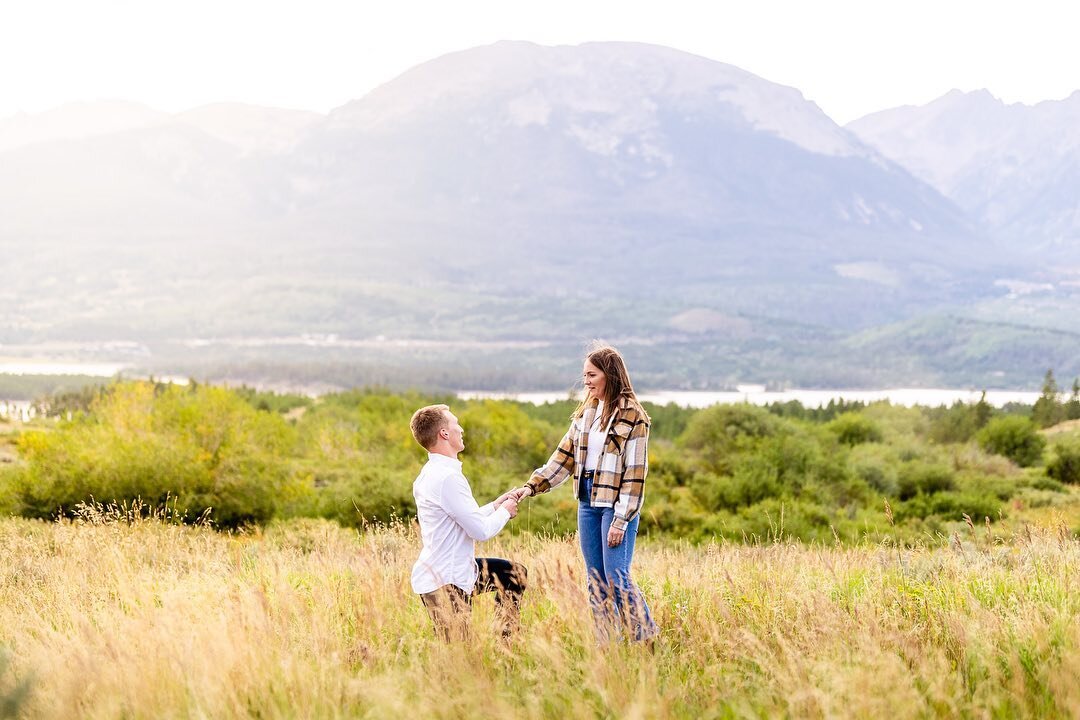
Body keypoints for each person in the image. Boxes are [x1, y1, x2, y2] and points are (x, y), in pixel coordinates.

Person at [512, 344, 658, 642]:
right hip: (587, 500)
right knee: (596, 580)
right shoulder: (586, 412)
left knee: (617, 576)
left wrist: (621, 520)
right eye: (584, 376)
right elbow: (563, 457)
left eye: (592, 375)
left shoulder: (633, 415)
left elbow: (636, 473)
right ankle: (607, 643)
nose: (587, 381)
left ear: (610, 375)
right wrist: (531, 486)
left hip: (616, 504)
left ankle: (645, 638)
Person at [409, 404, 528, 642]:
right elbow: (481, 531)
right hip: (445, 581)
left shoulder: (433, 472)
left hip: (456, 572)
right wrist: (505, 512)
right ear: (444, 433)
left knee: (513, 574)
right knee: (458, 658)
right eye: (455, 424)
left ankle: (505, 641)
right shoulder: (447, 477)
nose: (461, 429)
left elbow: (463, 517)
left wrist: (495, 506)